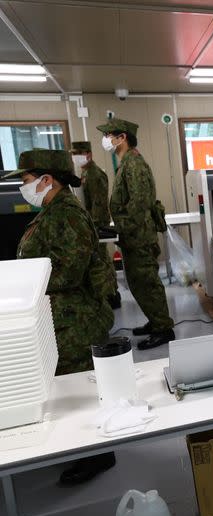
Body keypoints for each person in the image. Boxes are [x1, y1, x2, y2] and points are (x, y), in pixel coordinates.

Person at [5, 149, 117, 485]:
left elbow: (68, 272)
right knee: (69, 388)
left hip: (75, 322)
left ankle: (97, 454)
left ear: (46, 180)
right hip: (62, 319)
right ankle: (82, 449)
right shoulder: (53, 211)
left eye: (26, 181)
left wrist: (26, 281)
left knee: (78, 390)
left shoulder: (65, 214)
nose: (23, 188)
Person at [97, 118, 175, 350]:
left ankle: (164, 329)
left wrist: (122, 227)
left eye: (110, 135)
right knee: (138, 283)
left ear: (122, 138)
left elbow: (139, 203)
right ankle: (155, 320)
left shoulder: (134, 164)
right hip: (131, 234)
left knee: (147, 283)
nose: (107, 139)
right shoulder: (126, 163)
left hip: (138, 236)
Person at [70, 140, 121, 309]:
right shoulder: (85, 173)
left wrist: (93, 228)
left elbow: (99, 204)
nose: (75, 158)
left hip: (97, 224)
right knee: (101, 260)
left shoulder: (95, 174)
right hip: (92, 223)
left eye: (78, 154)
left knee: (102, 260)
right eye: (73, 154)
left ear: (88, 155)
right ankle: (110, 293)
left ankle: (112, 295)